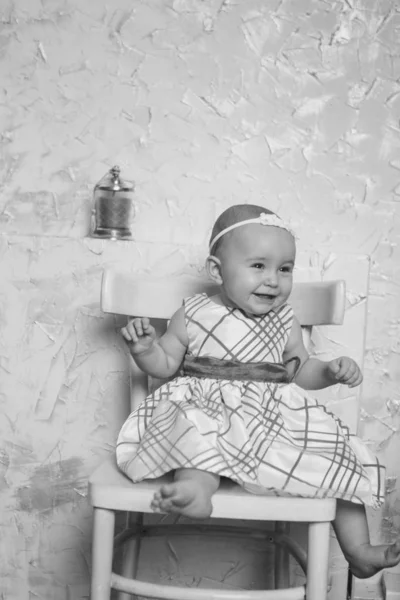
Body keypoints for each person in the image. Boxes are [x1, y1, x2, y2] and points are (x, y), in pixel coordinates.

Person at [116, 204, 400, 579]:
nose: (273, 280)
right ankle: (195, 489)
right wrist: (145, 350)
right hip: (209, 411)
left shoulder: (286, 320)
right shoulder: (194, 312)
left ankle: (358, 551)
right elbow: (166, 363)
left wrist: (329, 371)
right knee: (192, 427)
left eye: (285, 269)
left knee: (336, 460)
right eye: (258, 266)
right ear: (217, 270)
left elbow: (300, 371)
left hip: (270, 425)